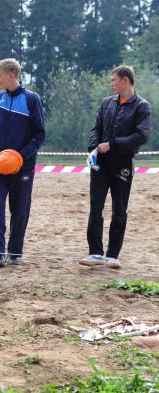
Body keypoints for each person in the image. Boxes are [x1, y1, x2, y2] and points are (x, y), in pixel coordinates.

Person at [80, 66, 151, 269]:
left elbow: (142, 135)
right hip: (100, 164)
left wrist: (112, 144)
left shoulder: (141, 106)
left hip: (123, 163)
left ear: (125, 80)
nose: (111, 83)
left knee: (120, 209)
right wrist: (93, 148)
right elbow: (97, 129)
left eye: (114, 80)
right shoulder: (106, 103)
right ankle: (95, 253)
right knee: (96, 206)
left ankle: (112, 255)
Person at [0, 58, 45, 268]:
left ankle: (15, 253)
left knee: (20, 208)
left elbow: (39, 134)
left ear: (11, 75)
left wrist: (20, 156)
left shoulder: (31, 99)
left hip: (23, 166)